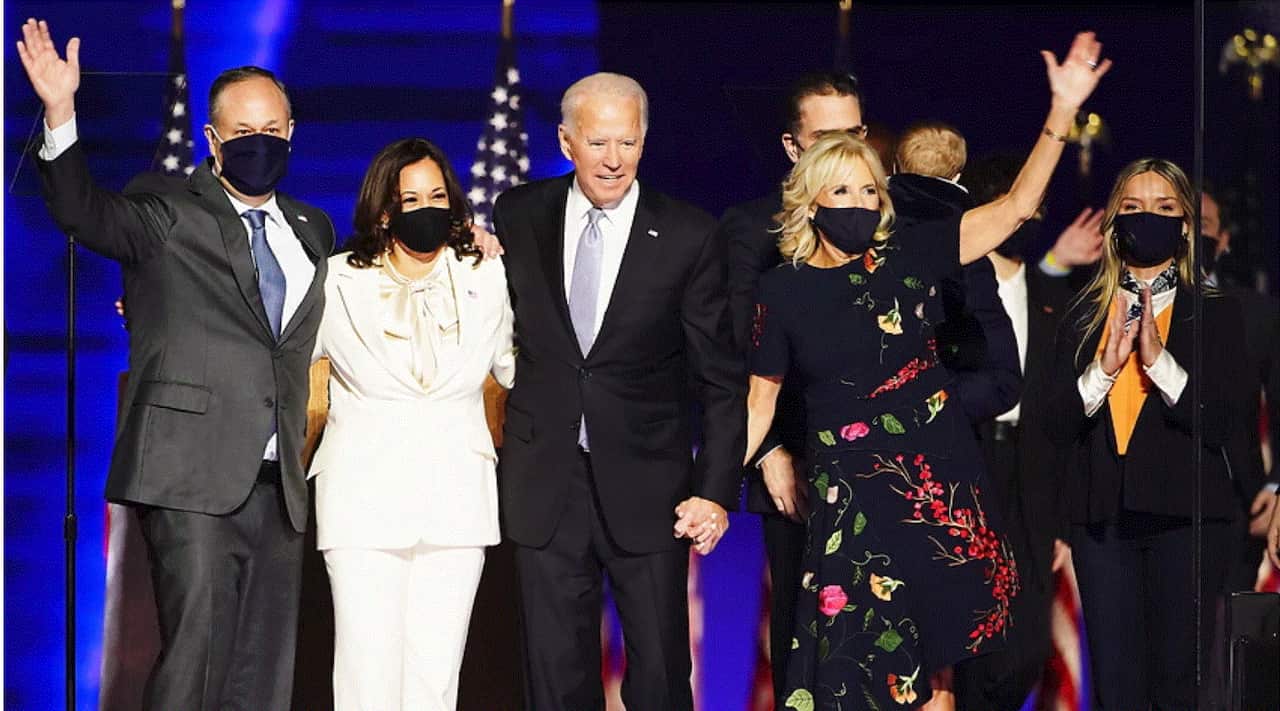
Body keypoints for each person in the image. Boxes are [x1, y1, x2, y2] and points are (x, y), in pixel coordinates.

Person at [744, 32, 1109, 710]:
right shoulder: (783, 290)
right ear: (809, 198)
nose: (857, 201)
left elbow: (1015, 209)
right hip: (850, 504)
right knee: (852, 675)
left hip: (935, 490)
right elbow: (759, 404)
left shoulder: (915, 252)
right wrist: (708, 490)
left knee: (938, 674)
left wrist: (1061, 113)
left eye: (868, 188)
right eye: (841, 189)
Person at [19, 19, 334, 710]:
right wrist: (60, 114)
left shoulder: (312, 228)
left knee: (263, 669)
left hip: (279, 479)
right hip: (189, 471)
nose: (261, 142)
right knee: (196, 652)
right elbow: (84, 212)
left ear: (291, 133)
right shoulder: (166, 209)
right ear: (214, 142)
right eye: (243, 130)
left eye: (273, 128)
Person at [490, 72, 745, 710]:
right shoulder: (519, 214)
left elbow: (719, 379)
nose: (613, 160)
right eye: (599, 142)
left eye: (628, 143)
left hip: (650, 486)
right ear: (566, 140)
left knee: (658, 675)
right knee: (553, 678)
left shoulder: (688, 233)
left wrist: (713, 492)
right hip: (544, 479)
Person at [308, 138, 515, 710]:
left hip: (456, 504)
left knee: (435, 678)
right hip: (362, 502)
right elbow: (274, 352)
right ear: (384, 211)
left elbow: (519, 367)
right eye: (411, 199)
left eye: (438, 196)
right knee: (365, 673)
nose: (427, 209)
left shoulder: (488, 275)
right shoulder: (336, 281)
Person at [1043, 158, 1253, 709]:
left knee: (1178, 683)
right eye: (1133, 208)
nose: (1147, 219)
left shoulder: (1216, 313)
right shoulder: (1081, 314)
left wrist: (1159, 363)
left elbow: (1227, 421)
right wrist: (1105, 369)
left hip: (1186, 520)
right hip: (1101, 523)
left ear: (1186, 225)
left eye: (1164, 208)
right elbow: (1055, 423)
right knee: (1116, 686)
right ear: (1114, 221)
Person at [717, 71, 865, 704]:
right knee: (804, 639)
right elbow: (735, 354)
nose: (846, 147)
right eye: (828, 135)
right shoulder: (752, 231)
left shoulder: (892, 227)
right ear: (792, 147)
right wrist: (771, 452)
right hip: (797, 465)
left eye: (855, 133)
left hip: (888, 470)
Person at [949, 153, 1101, 710]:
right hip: (967, 468)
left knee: (1028, 640)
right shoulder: (951, 289)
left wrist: (1062, 517)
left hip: (1032, 478)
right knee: (966, 628)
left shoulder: (1052, 296)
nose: (1028, 218)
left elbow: (1067, 414)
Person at [888, 122, 1022, 424]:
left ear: (894, 166)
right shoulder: (969, 255)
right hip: (942, 443)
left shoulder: (858, 238)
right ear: (958, 177)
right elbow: (1004, 381)